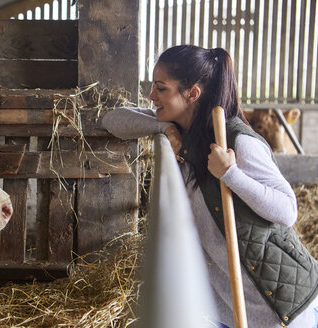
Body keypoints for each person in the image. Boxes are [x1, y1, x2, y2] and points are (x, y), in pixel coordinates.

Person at [102, 45, 318, 328]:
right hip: (231, 306)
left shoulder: (238, 142)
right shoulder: (184, 134)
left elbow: (287, 210)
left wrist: (230, 174)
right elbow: (112, 119)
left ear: (192, 93)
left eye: (161, 88)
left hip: (281, 306)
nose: (151, 96)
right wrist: (165, 129)